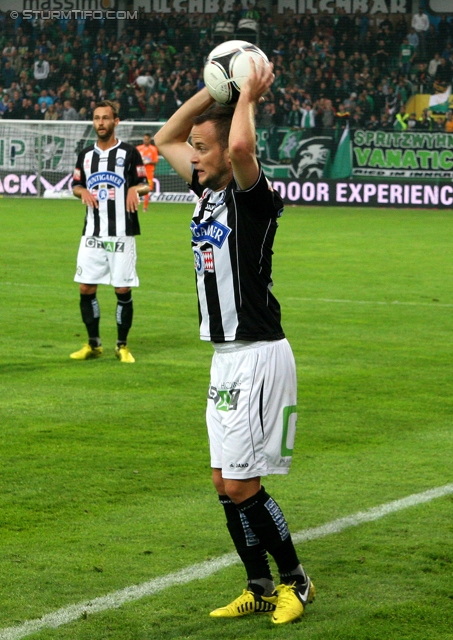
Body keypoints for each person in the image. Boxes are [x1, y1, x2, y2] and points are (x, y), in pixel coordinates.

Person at [154, 61, 314, 625]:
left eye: (203, 149)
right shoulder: (203, 188)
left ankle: (297, 582)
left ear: (227, 153)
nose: (192, 157)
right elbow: (164, 137)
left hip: (257, 354)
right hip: (223, 359)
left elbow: (242, 143)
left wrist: (244, 93)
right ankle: (259, 586)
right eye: (195, 150)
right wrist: (213, 91)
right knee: (225, 482)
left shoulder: (252, 197)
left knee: (245, 483)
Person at [70, 100, 149, 363]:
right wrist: (81, 192)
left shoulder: (129, 153)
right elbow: (76, 185)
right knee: (85, 288)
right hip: (92, 232)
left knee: (122, 290)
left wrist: (131, 189)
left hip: (122, 232)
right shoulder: (85, 155)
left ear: (116, 122)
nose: (100, 123)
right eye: (96, 118)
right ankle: (93, 344)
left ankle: (122, 346)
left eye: (105, 118)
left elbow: (145, 185)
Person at [136, 133, 159, 212]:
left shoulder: (153, 149)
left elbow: (155, 161)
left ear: (150, 140)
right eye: (144, 139)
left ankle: (145, 207)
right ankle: (135, 204)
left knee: (147, 189)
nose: (145, 140)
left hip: (149, 172)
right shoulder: (138, 148)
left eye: (147, 139)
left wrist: (148, 162)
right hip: (139, 171)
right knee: (136, 188)